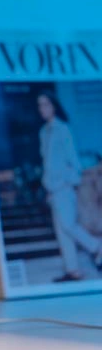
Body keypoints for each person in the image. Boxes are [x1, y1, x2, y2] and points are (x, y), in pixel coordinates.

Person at [37, 91, 102, 282]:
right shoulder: (43, 132)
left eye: (45, 104)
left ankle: (96, 246)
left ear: (54, 106)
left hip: (64, 187)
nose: (42, 109)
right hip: (52, 188)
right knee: (62, 232)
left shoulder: (63, 130)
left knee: (69, 225)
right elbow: (47, 162)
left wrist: (68, 183)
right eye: (40, 105)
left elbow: (73, 161)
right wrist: (49, 188)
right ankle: (73, 270)